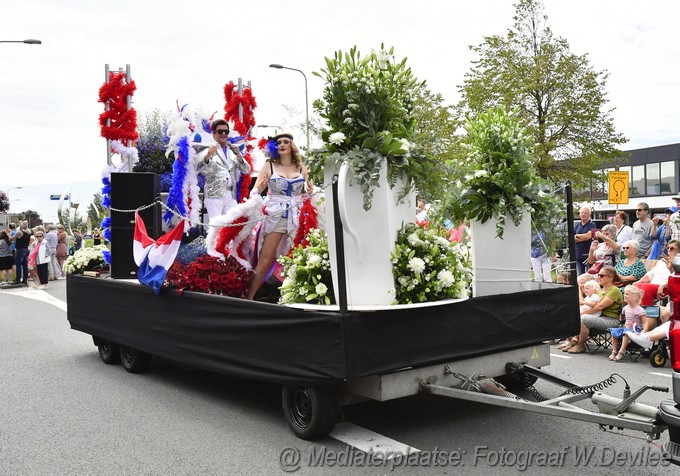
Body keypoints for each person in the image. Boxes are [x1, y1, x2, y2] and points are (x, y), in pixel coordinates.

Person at [246, 132, 312, 300]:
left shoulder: (302, 167)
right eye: (279, 142)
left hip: (297, 217)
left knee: (296, 260)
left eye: (286, 142)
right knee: (265, 260)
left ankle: (292, 296)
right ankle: (248, 298)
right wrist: (258, 190)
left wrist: (311, 191)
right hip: (276, 215)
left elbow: (311, 191)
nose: (282, 145)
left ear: (292, 146)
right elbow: (255, 191)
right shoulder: (269, 165)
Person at [195, 119, 251, 225]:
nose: (224, 134)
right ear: (214, 133)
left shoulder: (233, 151)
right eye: (220, 131)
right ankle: (213, 242)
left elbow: (247, 170)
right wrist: (208, 155)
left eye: (226, 131)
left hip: (231, 194)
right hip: (214, 195)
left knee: (231, 227)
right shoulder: (207, 149)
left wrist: (239, 156)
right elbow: (197, 167)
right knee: (216, 228)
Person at [563, 267, 623, 354]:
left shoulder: (614, 290)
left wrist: (581, 313)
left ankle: (580, 345)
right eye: (598, 275)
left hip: (611, 320)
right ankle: (572, 340)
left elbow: (599, 307)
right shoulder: (601, 291)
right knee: (572, 314)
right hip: (599, 317)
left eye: (601, 275)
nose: (599, 277)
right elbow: (586, 302)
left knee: (583, 318)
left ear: (610, 278)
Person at [634, 239, 679, 313]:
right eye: (668, 248)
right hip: (654, 286)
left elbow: (676, 279)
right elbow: (650, 274)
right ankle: (634, 314)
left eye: (672, 248)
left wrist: (671, 269)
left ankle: (649, 315)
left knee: (645, 288)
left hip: (666, 287)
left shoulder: (678, 263)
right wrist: (637, 282)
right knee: (635, 287)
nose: (669, 250)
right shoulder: (662, 261)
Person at [609, 285, 646, 361]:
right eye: (624, 294)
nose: (624, 296)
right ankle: (614, 351)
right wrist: (622, 320)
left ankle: (622, 351)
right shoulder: (625, 308)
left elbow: (645, 322)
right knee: (614, 332)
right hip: (627, 328)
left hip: (636, 330)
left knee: (626, 333)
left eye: (627, 294)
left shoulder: (639, 310)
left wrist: (644, 331)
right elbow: (622, 317)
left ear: (635, 297)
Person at [573, 206, 597, 275]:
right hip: (578, 255)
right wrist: (583, 236)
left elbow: (589, 236)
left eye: (585, 213)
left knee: (589, 275)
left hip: (588, 255)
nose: (583, 214)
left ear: (589, 215)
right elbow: (572, 239)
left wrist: (577, 236)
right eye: (582, 213)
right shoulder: (577, 226)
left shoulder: (592, 224)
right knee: (580, 275)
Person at [12, 220, 31, 285]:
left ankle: (18, 279)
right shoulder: (29, 232)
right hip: (26, 249)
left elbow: (12, 238)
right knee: (25, 265)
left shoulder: (20, 232)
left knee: (18, 265)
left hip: (20, 249)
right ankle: (25, 280)